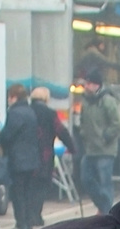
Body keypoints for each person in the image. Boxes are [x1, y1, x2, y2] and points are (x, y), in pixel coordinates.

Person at [77, 67, 120, 213]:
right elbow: (83, 121)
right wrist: (83, 133)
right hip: (90, 149)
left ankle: (107, 212)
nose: (86, 85)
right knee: (86, 178)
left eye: (89, 83)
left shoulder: (107, 101)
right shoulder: (86, 102)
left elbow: (117, 123)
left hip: (106, 149)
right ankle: (103, 205)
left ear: (97, 84)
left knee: (105, 182)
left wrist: (106, 136)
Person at [0, 84, 41, 229]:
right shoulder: (30, 111)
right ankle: (28, 222)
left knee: (18, 193)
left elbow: (7, 135)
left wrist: (1, 139)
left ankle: (21, 224)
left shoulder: (15, 113)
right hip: (32, 158)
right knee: (28, 192)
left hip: (18, 159)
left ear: (14, 97)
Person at [29, 85, 74, 219]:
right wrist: (72, 147)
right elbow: (61, 131)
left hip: (29, 154)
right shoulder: (50, 113)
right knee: (42, 185)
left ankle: (28, 215)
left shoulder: (28, 111)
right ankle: (36, 214)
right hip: (45, 154)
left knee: (29, 186)